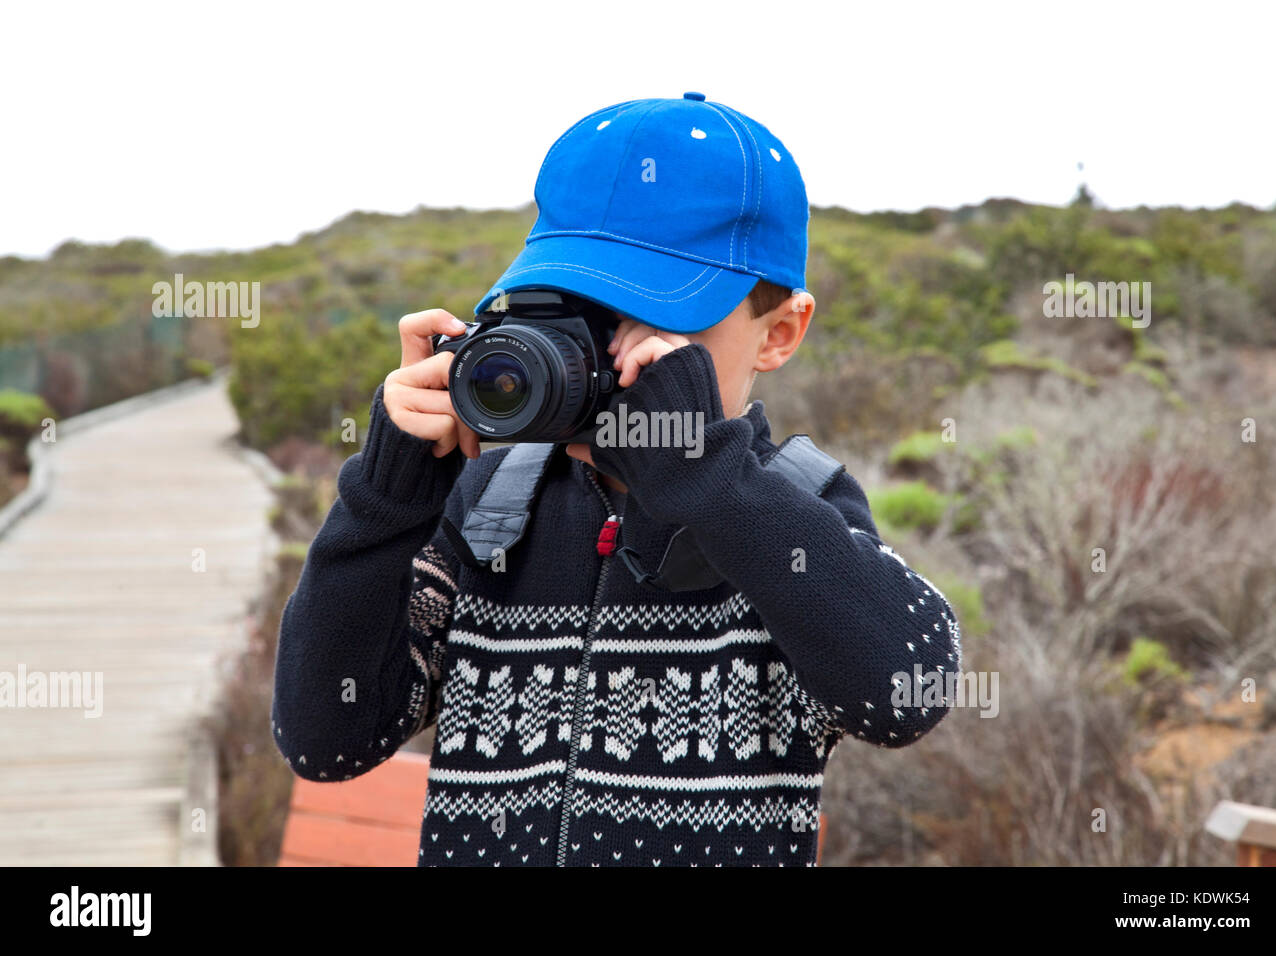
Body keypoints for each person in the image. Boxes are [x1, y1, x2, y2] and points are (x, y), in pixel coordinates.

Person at [271, 92, 962, 867]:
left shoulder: (790, 506)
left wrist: (711, 481)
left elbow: (911, 689)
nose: (604, 354)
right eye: (579, 311)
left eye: (654, 315)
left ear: (780, 334)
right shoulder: (494, 503)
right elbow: (326, 739)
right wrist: (387, 503)